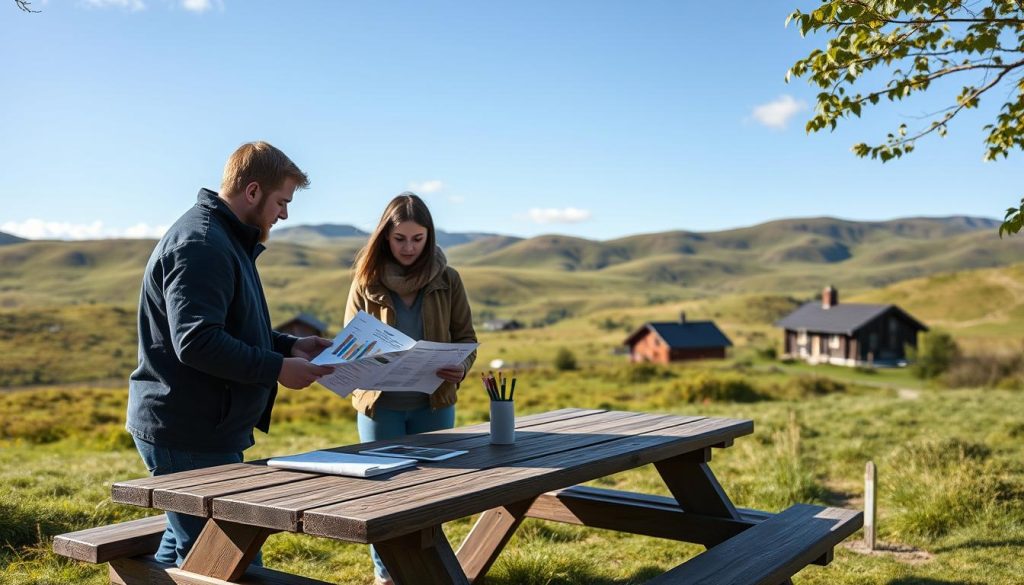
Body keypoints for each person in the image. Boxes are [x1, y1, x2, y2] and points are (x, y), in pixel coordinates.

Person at [126, 141, 335, 566]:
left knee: (183, 554)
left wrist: (290, 345)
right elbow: (198, 342)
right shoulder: (202, 244)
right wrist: (278, 367)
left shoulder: (225, 238)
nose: (285, 214)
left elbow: (232, 327)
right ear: (253, 191)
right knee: (224, 562)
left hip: (204, 427)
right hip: (188, 432)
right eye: (282, 201)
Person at [344, 192, 477, 585]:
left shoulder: (448, 280)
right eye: (400, 238)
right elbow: (350, 343)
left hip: (433, 403)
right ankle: (385, 576)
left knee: (431, 490)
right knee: (383, 494)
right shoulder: (364, 282)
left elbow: (466, 338)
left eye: (417, 239)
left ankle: (425, 572)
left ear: (429, 237)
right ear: (385, 236)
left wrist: (460, 367)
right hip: (378, 406)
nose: (408, 248)